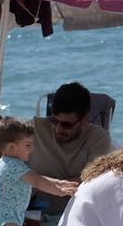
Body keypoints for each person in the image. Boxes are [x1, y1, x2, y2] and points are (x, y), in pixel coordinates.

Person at [29, 81, 113, 213]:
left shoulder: (98, 138)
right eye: (54, 120)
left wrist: (38, 183)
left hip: (76, 214)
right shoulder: (33, 129)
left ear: (85, 119)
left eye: (67, 124)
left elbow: (92, 182)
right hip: (33, 213)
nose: (58, 129)